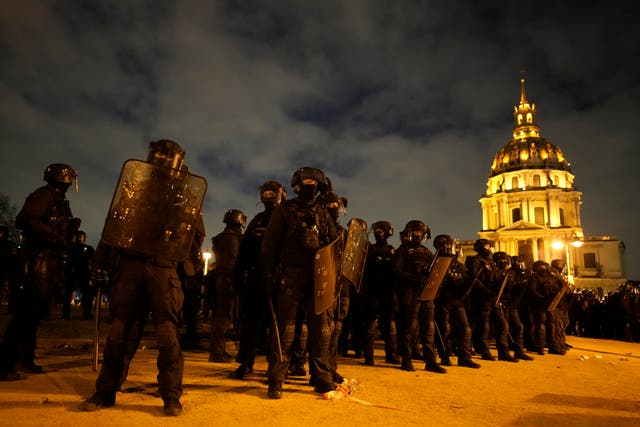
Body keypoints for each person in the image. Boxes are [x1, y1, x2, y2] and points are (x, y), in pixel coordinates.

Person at [82, 139, 206, 416]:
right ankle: (106, 390)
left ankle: (171, 396)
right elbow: (115, 225)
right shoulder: (136, 187)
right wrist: (99, 262)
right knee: (119, 333)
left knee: (167, 335)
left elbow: (195, 237)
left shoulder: (185, 195)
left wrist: (188, 262)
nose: (161, 158)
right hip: (130, 265)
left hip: (163, 269)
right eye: (158, 154)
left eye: (166, 155)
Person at [260, 166, 338, 399]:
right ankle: (276, 380)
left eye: (315, 184)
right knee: (286, 329)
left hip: (317, 276)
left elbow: (333, 244)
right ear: (296, 185)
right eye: (306, 182)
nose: (310, 187)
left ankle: (322, 378)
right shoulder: (284, 209)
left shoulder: (323, 212)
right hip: (290, 275)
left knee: (321, 330)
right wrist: (266, 274)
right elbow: (270, 244)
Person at [0, 163, 80, 381]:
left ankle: (25, 359)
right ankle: (4, 363)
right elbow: (24, 219)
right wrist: (54, 235)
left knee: (34, 315)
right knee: (25, 314)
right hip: (39, 259)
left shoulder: (58, 200)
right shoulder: (44, 196)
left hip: (50, 259)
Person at [234, 181, 286, 379]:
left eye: (273, 192)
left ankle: (279, 368)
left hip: (280, 279)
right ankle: (246, 363)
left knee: (280, 326)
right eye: (265, 192)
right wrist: (240, 274)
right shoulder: (258, 220)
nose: (268, 195)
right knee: (251, 324)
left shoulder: (288, 217)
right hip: (257, 278)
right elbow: (245, 249)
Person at [393, 220, 445, 373]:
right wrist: (415, 279)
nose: (418, 235)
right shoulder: (403, 251)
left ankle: (430, 361)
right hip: (409, 294)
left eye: (420, 233)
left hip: (426, 295)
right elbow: (396, 272)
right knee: (408, 328)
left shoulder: (427, 252)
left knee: (428, 329)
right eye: (415, 232)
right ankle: (406, 359)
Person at [432, 235, 480, 369]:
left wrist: (470, 282)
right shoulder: (436, 262)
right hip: (442, 301)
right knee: (444, 329)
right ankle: (444, 355)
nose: (453, 248)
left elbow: (464, 281)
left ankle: (464, 358)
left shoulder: (459, 265)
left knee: (466, 330)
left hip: (458, 301)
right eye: (449, 245)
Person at [466, 239, 517, 362]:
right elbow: (474, 278)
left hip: (494, 297)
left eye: (489, 245)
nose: (488, 248)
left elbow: (496, 277)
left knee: (502, 325)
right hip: (482, 298)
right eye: (486, 245)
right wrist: (485, 289)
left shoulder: (491, 261)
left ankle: (503, 352)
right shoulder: (475, 261)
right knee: (484, 326)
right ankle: (484, 351)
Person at [209, 209, 246, 362]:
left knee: (221, 315)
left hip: (219, 277)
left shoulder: (218, 238)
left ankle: (219, 349)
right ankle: (217, 353)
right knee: (225, 316)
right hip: (231, 279)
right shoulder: (237, 239)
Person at [360, 221, 399, 365]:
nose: (378, 232)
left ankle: (391, 354)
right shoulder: (370, 249)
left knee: (389, 324)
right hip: (373, 290)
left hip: (387, 290)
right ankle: (369, 356)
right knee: (371, 324)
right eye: (376, 230)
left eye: (380, 230)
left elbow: (396, 271)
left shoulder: (391, 250)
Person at [493, 252, 534, 361]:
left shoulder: (514, 274)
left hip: (512, 304)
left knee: (518, 326)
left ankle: (519, 351)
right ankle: (503, 353)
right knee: (503, 328)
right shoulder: (499, 272)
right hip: (502, 303)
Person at [527, 260, 565, 355]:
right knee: (541, 326)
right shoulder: (534, 277)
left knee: (552, 325)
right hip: (540, 305)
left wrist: (559, 280)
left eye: (545, 266)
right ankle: (540, 346)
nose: (544, 268)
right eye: (541, 267)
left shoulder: (551, 277)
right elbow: (533, 291)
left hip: (551, 305)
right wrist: (543, 298)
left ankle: (553, 346)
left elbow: (559, 288)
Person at [65, 230, 95, 319]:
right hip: (79, 271)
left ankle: (68, 313)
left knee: (84, 292)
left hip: (77, 271)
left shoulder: (71, 248)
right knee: (85, 292)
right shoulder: (72, 248)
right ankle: (86, 313)